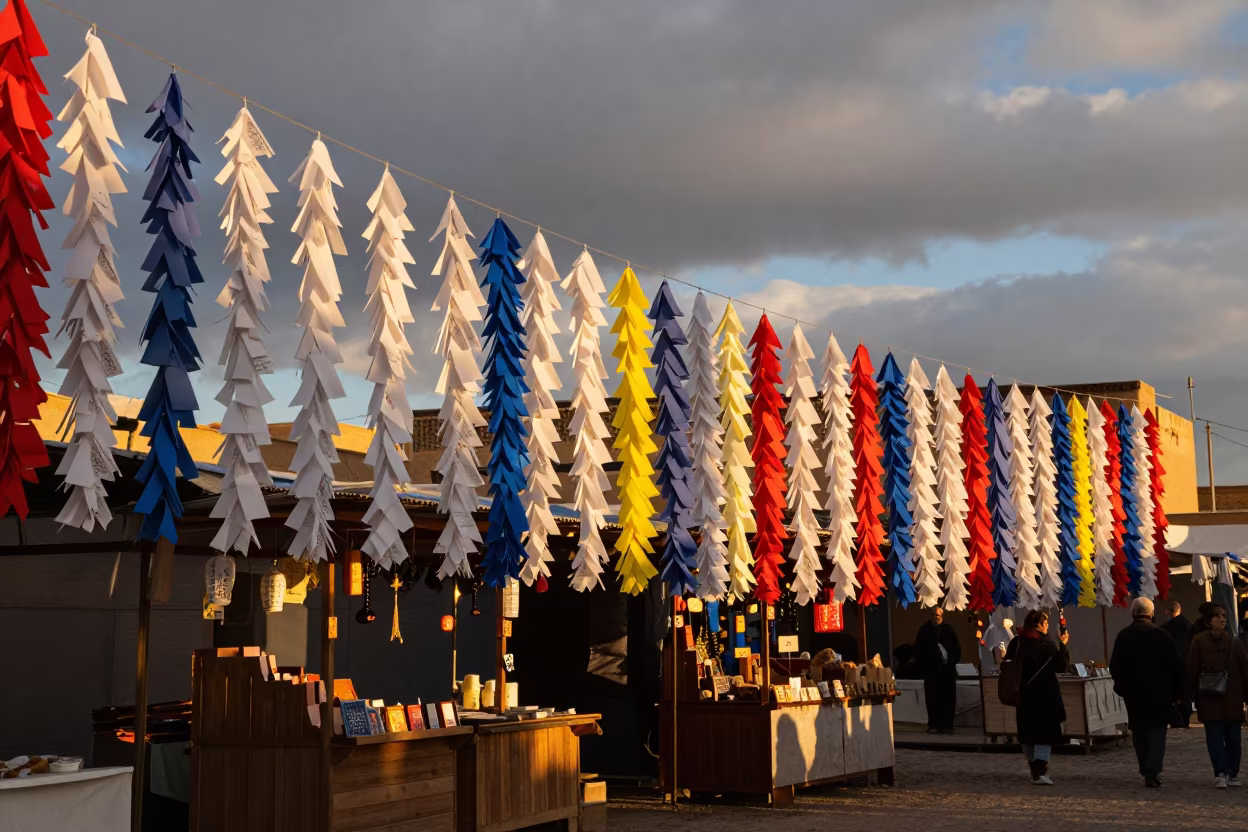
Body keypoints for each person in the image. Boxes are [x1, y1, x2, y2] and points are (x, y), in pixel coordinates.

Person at [1109, 598, 1184, 787]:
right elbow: (1176, 666)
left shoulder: (1124, 635)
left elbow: (1115, 666)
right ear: (1150, 614)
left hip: (1134, 693)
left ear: (1133, 613)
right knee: (1157, 732)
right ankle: (1152, 770)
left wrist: (1122, 687)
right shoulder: (1162, 635)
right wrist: (1179, 693)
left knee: (1139, 731)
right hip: (1160, 692)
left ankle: (1144, 767)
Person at [1004, 610, 1071, 785]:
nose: (1048, 625)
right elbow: (1061, 666)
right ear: (1039, 624)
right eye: (1046, 622)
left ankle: (1034, 771)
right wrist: (1063, 645)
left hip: (1024, 695)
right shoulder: (1046, 645)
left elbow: (1007, 663)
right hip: (1044, 695)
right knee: (1044, 734)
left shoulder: (1017, 643)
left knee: (1028, 733)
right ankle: (1040, 772)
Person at [1187, 603, 1248, 789]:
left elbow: (1245, 669)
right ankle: (1221, 772)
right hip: (1210, 698)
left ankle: (1232, 772)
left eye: (1223, 616)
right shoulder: (1199, 641)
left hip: (1232, 697)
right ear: (1208, 620)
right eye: (1217, 616)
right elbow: (1192, 669)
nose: (1222, 619)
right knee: (1215, 738)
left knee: (1233, 739)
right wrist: (1188, 695)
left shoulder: (1234, 642)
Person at [915, 608, 961, 734]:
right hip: (931, 671)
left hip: (947, 671)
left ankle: (947, 725)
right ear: (930, 616)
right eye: (934, 615)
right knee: (932, 698)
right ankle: (934, 723)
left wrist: (950, 661)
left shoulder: (948, 630)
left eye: (939, 616)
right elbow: (919, 650)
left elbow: (956, 649)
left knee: (947, 698)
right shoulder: (924, 631)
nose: (936, 618)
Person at [1161, 601, 1195, 728]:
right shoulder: (1189, 626)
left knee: (1174, 694)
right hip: (1188, 663)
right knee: (1187, 694)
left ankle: (1177, 720)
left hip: (1172, 666)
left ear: (1170, 611)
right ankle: (1185, 719)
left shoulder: (1166, 628)